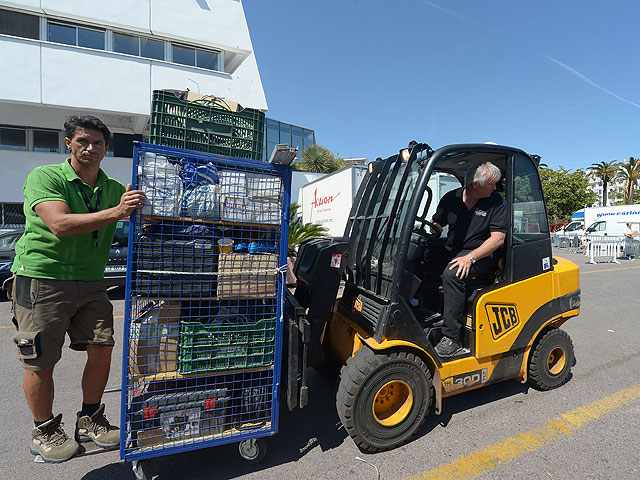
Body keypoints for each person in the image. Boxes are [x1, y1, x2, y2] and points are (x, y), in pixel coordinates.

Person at [4, 115, 145, 463]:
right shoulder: (46, 177)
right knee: (40, 361)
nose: (91, 148)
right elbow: (59, 223)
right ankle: (44, 430)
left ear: (107, 148)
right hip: (42, 280)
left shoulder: (113, 188)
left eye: (98, 143)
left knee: (102, 348)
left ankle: (91, 418)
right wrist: (118, 212)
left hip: (92, 282)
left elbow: (137, 214)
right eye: (83, 141)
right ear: (68, 143)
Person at [429, 162, 508, 357]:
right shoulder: (451, 198)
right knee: (416, 254)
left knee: (453, 273)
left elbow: (498, 238)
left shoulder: (496, 201)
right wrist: (435, 227)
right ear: (476, 184)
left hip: (480, 255)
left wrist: (470, 258)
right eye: (491, 184)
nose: (495, 187)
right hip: (453, 248)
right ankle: (421, 307)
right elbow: (438, 222)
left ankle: (451, 337)